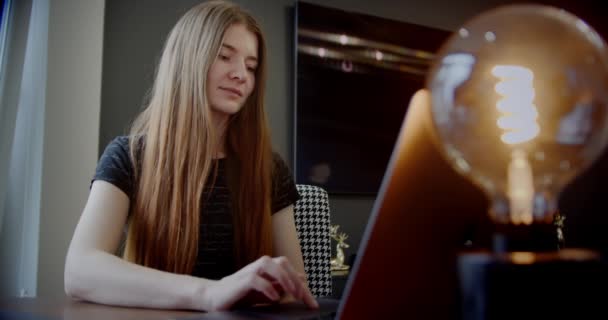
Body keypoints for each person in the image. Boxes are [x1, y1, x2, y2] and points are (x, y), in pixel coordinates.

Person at [64, 0, 318, 312]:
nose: (241, 75)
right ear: (187, 61)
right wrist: (209, 293)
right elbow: (79, 271)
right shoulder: (127, 156)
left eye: (251, 67)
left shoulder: (269, 169)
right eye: (224, 56)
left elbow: (296, 288)